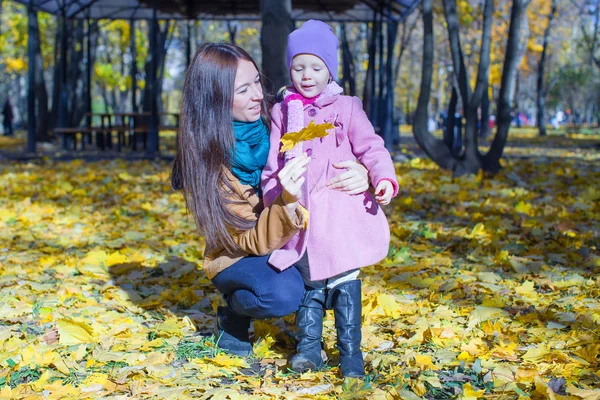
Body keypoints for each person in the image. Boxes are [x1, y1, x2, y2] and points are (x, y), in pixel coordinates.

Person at [170, 43, 370, 358]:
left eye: (257, 82)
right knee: (283, 294)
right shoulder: (206, 160)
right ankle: (233, 316)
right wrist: (287, 199)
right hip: (238, 252)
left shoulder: (280, 115)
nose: (258, 95)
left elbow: (337, 137)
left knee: (325, 272)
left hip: (290, 235)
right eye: (242, 90)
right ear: (215, 100)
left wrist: (363, 171)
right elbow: (249, 239)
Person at [261, 20, 399, 378]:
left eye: (316, 67)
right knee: (310, 282)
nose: (307, 75)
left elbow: (371, 146)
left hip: (341, 214)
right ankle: (309, 348)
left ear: (330, 70)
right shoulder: (282, 112)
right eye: (298, 67)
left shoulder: (347, 107)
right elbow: (272, 162)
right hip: (304, 214)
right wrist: (277, 193)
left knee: (344, 279)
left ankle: (351, 353)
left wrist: (381, 176)